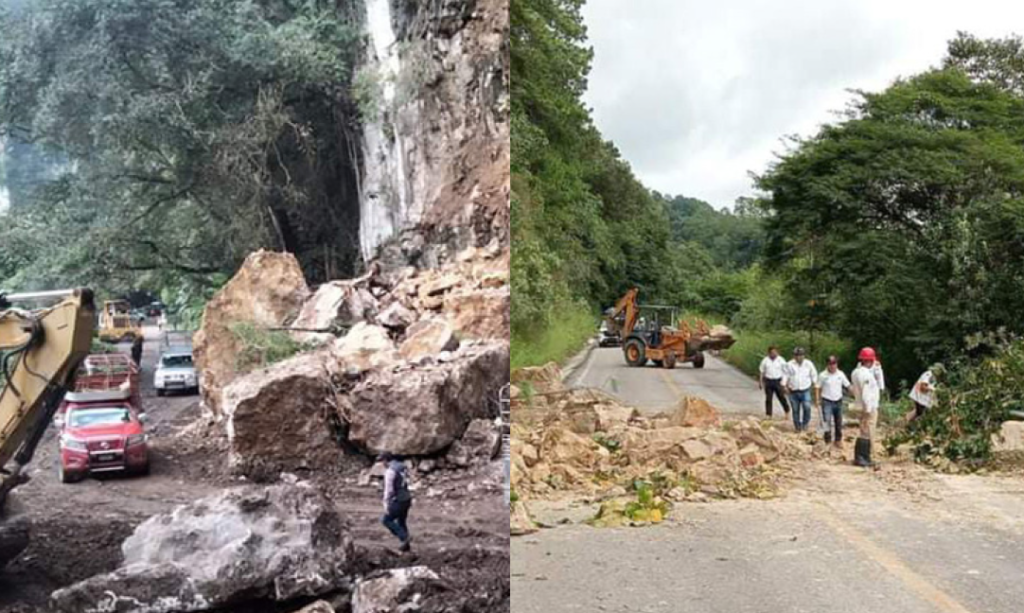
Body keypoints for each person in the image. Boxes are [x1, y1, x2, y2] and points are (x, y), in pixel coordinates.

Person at [850, 347, 885, 467]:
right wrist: (868, 409)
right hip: (868, 406)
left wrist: (878, 369)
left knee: (863, 431)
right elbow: (866, 393)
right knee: (868, 432)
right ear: (870, 360)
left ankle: (861, 456)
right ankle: (863, 457)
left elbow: (880, 384)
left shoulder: (856, 372)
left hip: (860, 405)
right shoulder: (866, 376)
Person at [380, 453, 413, 552]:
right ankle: (406, 548)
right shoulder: (402, 467)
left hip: (398, 499)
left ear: (386, 460)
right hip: (407, 498)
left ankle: (404, 537)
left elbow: (389, 490)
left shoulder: (390, 471)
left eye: (382, 461)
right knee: (401, 522)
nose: (382, 464)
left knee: (386, 520)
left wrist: (386, 503)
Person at [816, 356, 851, 446]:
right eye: (830, 364)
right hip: (826, 400)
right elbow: (817, 387)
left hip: (838, 401)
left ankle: (838, 440)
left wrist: (856, 394)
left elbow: (847, 385)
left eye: (834, 363)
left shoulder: (841, 374)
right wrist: (817, 399)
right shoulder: (822, 375)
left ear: (837, 364)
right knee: (826, 421)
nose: (832, 366)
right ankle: (827, 440)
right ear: (827, 364)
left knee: (838, 422)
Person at [785, 347, 818, 432]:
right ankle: (797, 427)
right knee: (795, 410)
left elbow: (814, 374)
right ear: (794, 356)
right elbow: (785, 376)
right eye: (797, 355)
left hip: (805, 390)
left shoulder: (808, 364)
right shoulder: (789, 364)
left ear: (804, 355)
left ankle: (805, 424)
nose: (799, 357)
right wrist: (784, 386)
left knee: (807, 407)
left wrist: (815, 384)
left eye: (801, 355)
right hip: (793, 391)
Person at [758, 346, 790, 418]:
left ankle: (787, 411)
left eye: (775, 352)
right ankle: (768, 414)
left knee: (781, 397)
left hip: (778, 381)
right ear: (769, 353)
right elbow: (761, 371)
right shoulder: (765, 360)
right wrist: (760, 381)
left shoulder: (781, 360)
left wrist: (785, 383)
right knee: (768, 398)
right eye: (772, 353)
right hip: (768, 381)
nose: (774, 354)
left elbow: (786, 371)